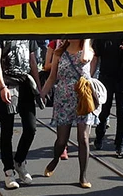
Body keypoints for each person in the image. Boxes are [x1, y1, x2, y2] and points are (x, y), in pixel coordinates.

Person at [41, 39, 98, 188]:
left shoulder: (88, 50)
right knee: (62, 140)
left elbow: (84, 59)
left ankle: (83, 176)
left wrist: (86, 40)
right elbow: (52, 77)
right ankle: (55, 159)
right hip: (63, 98)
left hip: (83, 97)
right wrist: (41, 95)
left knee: (83, 138)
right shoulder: (59, 53)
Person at [0, 39, 41, 189]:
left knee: (31, 128)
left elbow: (32, 61)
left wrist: (39, 87)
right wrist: (2, 86)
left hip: (25, 84)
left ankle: (19, 161)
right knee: (7, 130)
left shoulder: (27, 33)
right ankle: (8, 171)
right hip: (8, 84)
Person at [93, 38, 123, 158]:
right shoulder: (104, 36)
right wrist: (90, 77)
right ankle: (99, 137)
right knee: (104, 112)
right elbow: (95, 56)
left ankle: (121, 145)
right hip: (106, 78)